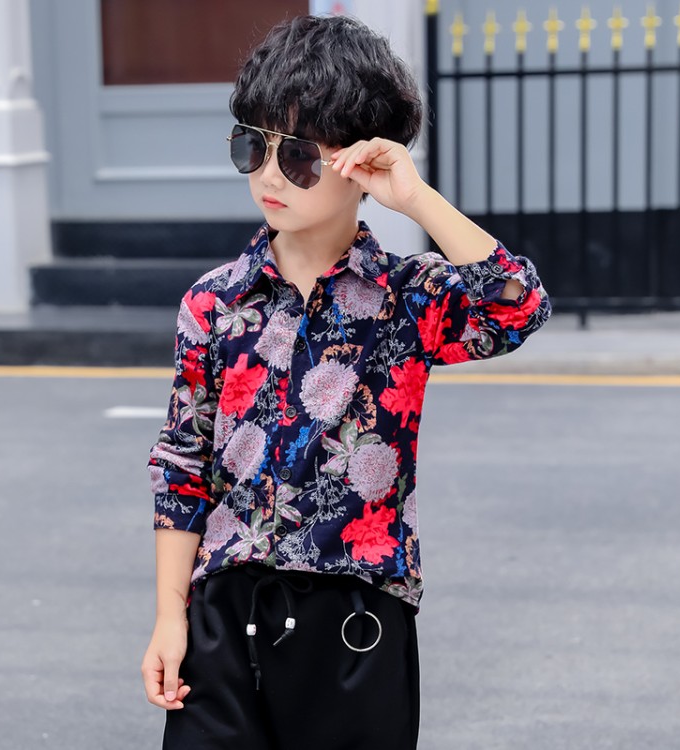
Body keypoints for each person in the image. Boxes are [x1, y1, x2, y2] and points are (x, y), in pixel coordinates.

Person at [141, 13, 551, 750]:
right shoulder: (214, 303)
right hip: (223, 616)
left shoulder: (408, 300)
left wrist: (416, 199)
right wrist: (171, 617)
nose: (270, 174)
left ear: (358, 162)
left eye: (299, 155)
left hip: (357, 621)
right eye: (253, 145)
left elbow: (517, 307)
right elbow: (182, 465)